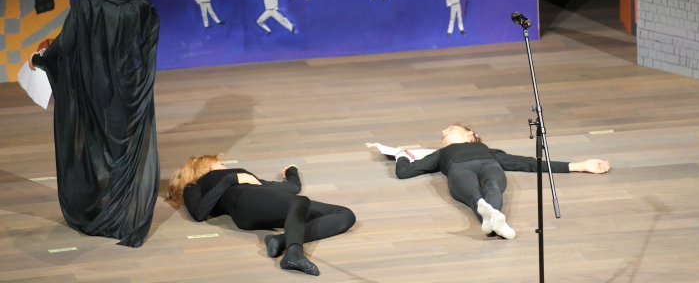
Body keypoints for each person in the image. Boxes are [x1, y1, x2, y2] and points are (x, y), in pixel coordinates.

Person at [29, 0, 160, 247]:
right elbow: (150, 19)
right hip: (130, 91)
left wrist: (38, 59)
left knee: (96, 147)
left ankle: (101, 207)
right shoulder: (137, 5)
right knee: (123, 146)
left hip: (95, 90)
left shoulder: (86, 4)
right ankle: (122, 210)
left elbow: (64, 46)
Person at [394, 125, 610, 239]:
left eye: (450, 128)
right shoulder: (441, 153)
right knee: (473, 193)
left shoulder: (486, 149)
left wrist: (580, 165)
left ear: (470, 135)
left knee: (493, 186)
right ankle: (497, 223)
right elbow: (406, 172)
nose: (443, 132)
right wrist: (402, 155)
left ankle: (492, 222)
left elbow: (526, 163)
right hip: (459, 169)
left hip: (489, 164)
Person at [166, 154, 356, 276]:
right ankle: (294, 253)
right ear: (204, 167)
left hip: (260, 203)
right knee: (300, 202)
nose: (224, 165)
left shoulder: (242, 177)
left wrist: (292, 172)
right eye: (220, 163)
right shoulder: (196, 185)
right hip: (244, 201)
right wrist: (230, 178)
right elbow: (199, 213)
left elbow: (292, 188)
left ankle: (280, 241)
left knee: (344, 215)